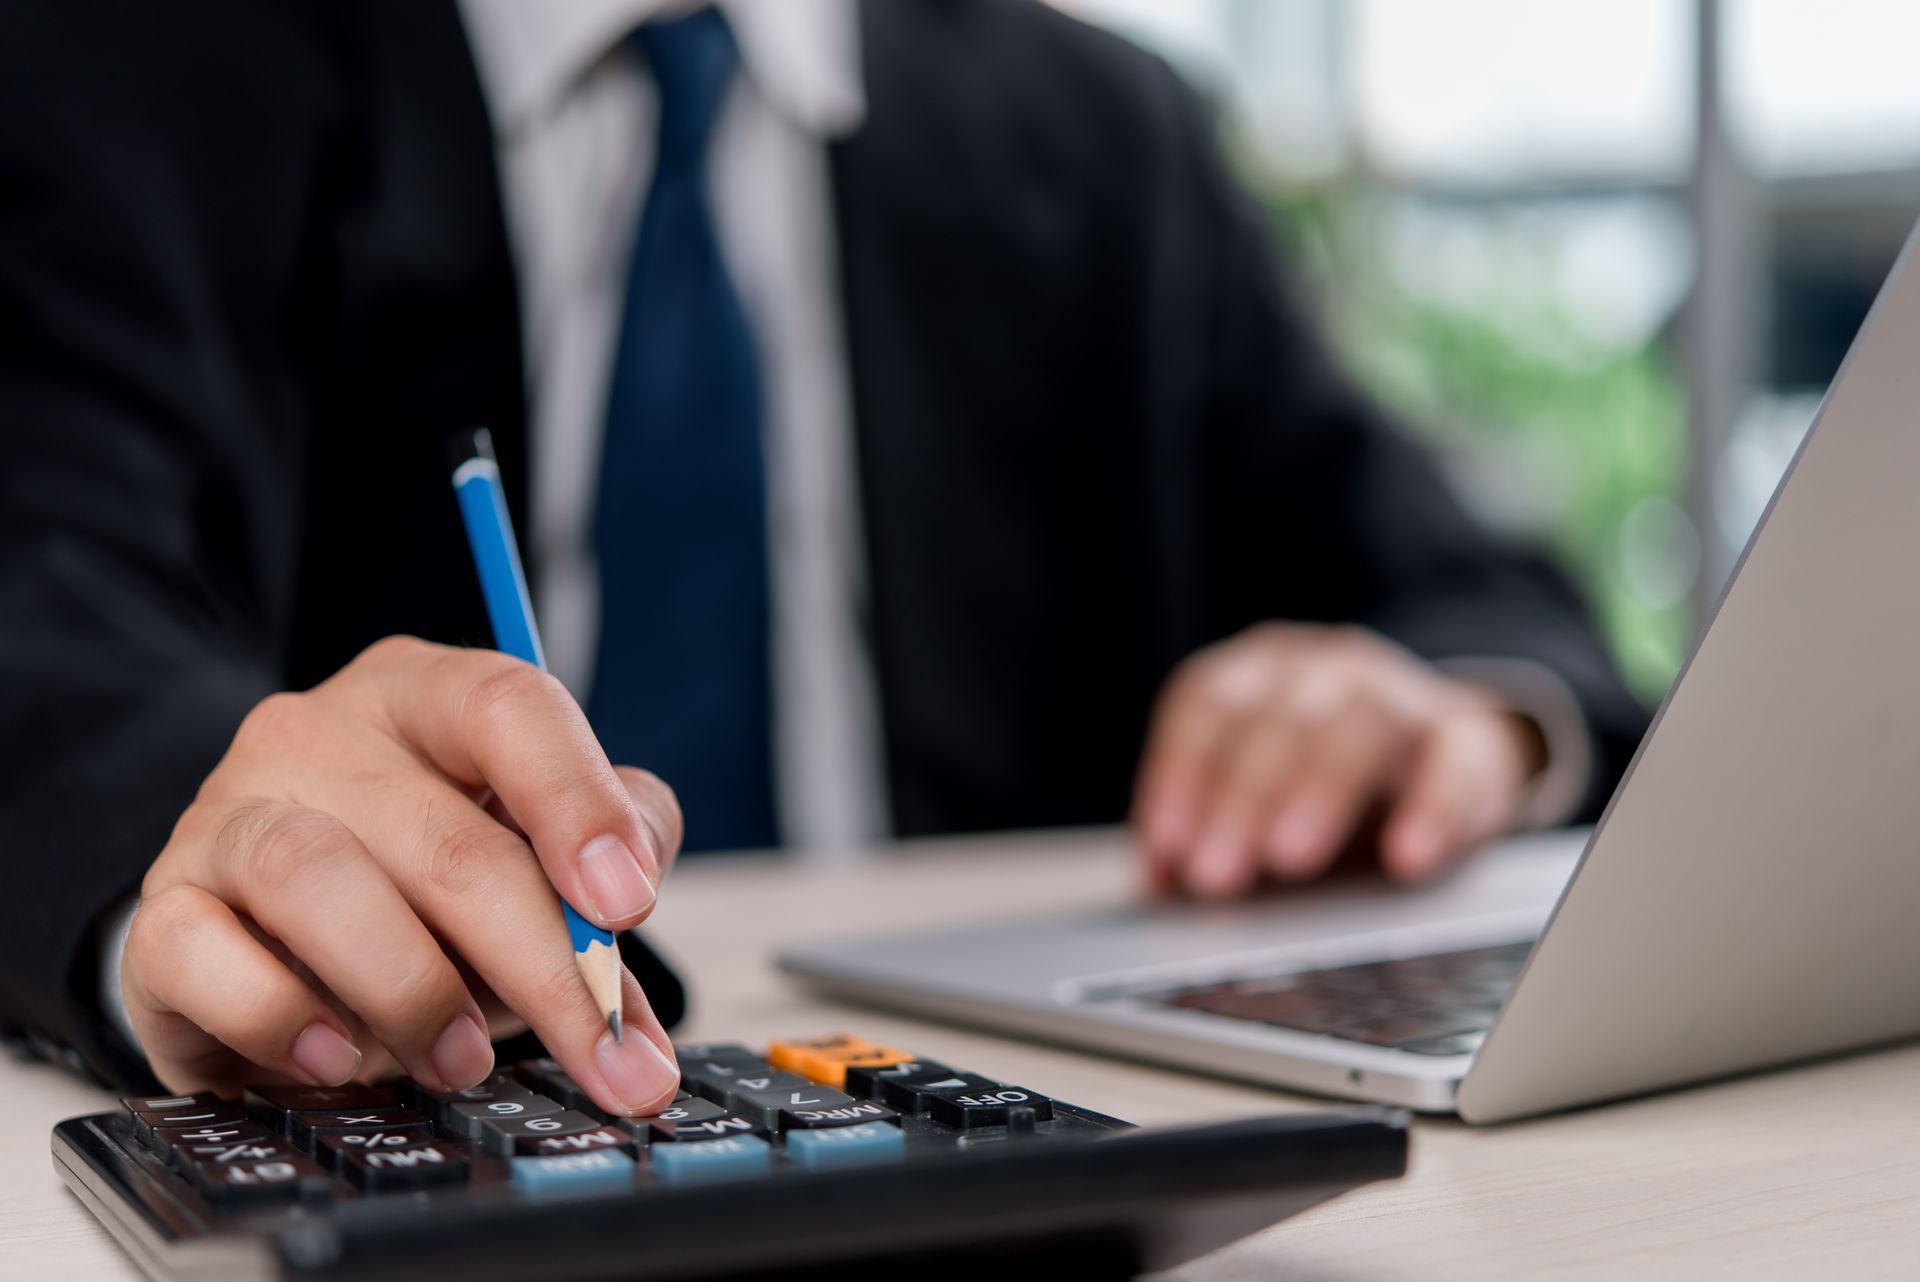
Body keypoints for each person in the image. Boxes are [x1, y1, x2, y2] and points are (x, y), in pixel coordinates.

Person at [0, 0, 1647, 1114]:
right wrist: (223, 859)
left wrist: (1439, 709)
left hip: (1003, 1120)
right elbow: (45, 603)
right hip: (451, 1125)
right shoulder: (121, 74)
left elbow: (1495, 609)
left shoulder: (1104, 129)